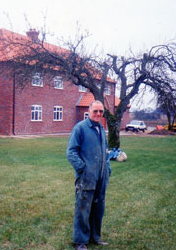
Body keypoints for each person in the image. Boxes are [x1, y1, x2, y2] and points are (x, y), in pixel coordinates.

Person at [66, 100, 111, 250]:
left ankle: (94, 238)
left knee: (98, 209)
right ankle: (80, 241)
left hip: (101, 178)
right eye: (95, 111)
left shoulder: (101, 129)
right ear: (89, 111)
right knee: (83, 209)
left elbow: (105, 153)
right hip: (86, 178)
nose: (98, 114)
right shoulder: (80, 128)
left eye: (101, 111)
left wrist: (107, 169)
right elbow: (71, 152)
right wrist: (82, 169)